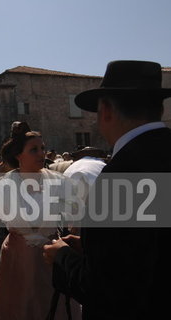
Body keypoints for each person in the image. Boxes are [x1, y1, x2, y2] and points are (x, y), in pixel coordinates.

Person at [43, 60, 171, 319]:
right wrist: (92, 246)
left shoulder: (124, 174)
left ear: (107, 109)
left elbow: (105, 289)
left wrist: (62, 257)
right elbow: (147, 245)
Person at [0, 122, 80, 320]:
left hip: (52, 255)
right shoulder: (1, 187)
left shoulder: (59, 182)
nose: (41, 154)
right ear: (18, 155)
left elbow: (77, 217)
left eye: (43, 148)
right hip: (17, 257)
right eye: (34, 150)